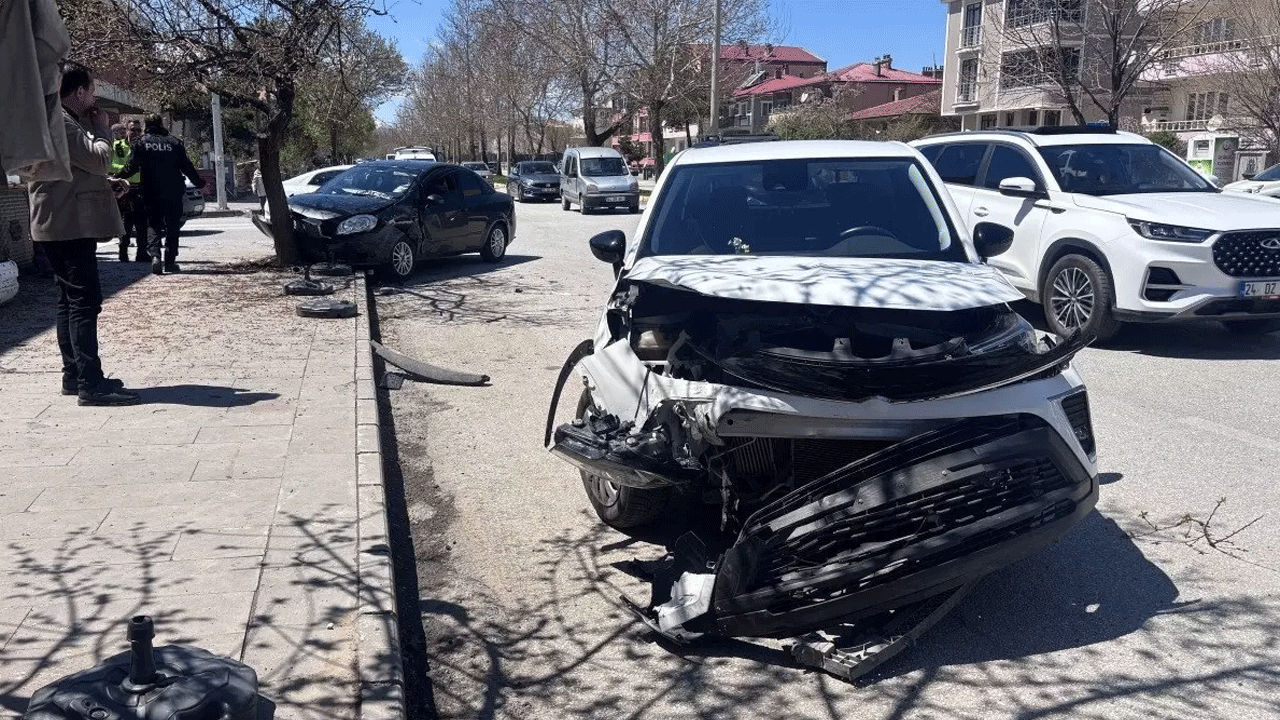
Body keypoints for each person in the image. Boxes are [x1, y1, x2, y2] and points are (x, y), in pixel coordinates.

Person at [27, 66, 139, 406]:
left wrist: (105, 184)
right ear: (78, 93)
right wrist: (103, 129)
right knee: (84, 302)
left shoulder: (58, 120)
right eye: (91, 92)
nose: (94, 99)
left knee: (69, 301)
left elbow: (71, 172)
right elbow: (98, 159)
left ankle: (74, 375)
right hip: (68, 225)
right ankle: (90, 383)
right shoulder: (63, 122)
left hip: (60, 222)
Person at [116, 114, 205, 274]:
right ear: (161, 124)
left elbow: (131, 167)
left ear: (146, 126)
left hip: (151, 190)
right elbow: (187, 167)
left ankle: (155, 255)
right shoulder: (174, 143)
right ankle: (170, 261)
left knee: (153, 224)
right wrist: (199, 183)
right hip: (173, 191)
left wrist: (116, 178)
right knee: (172, 227)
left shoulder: (141, 143)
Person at [109, 121, 147, 262]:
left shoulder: (143, 147)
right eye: (132, 130)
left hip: (141, 187)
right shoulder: (120, 146)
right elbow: (116, 165)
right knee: (127, 222)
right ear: (127, 131)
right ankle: (123, 251)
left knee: (142, 223)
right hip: (125, 188)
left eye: (138, 130)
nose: (136, 133)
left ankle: (142, 252)